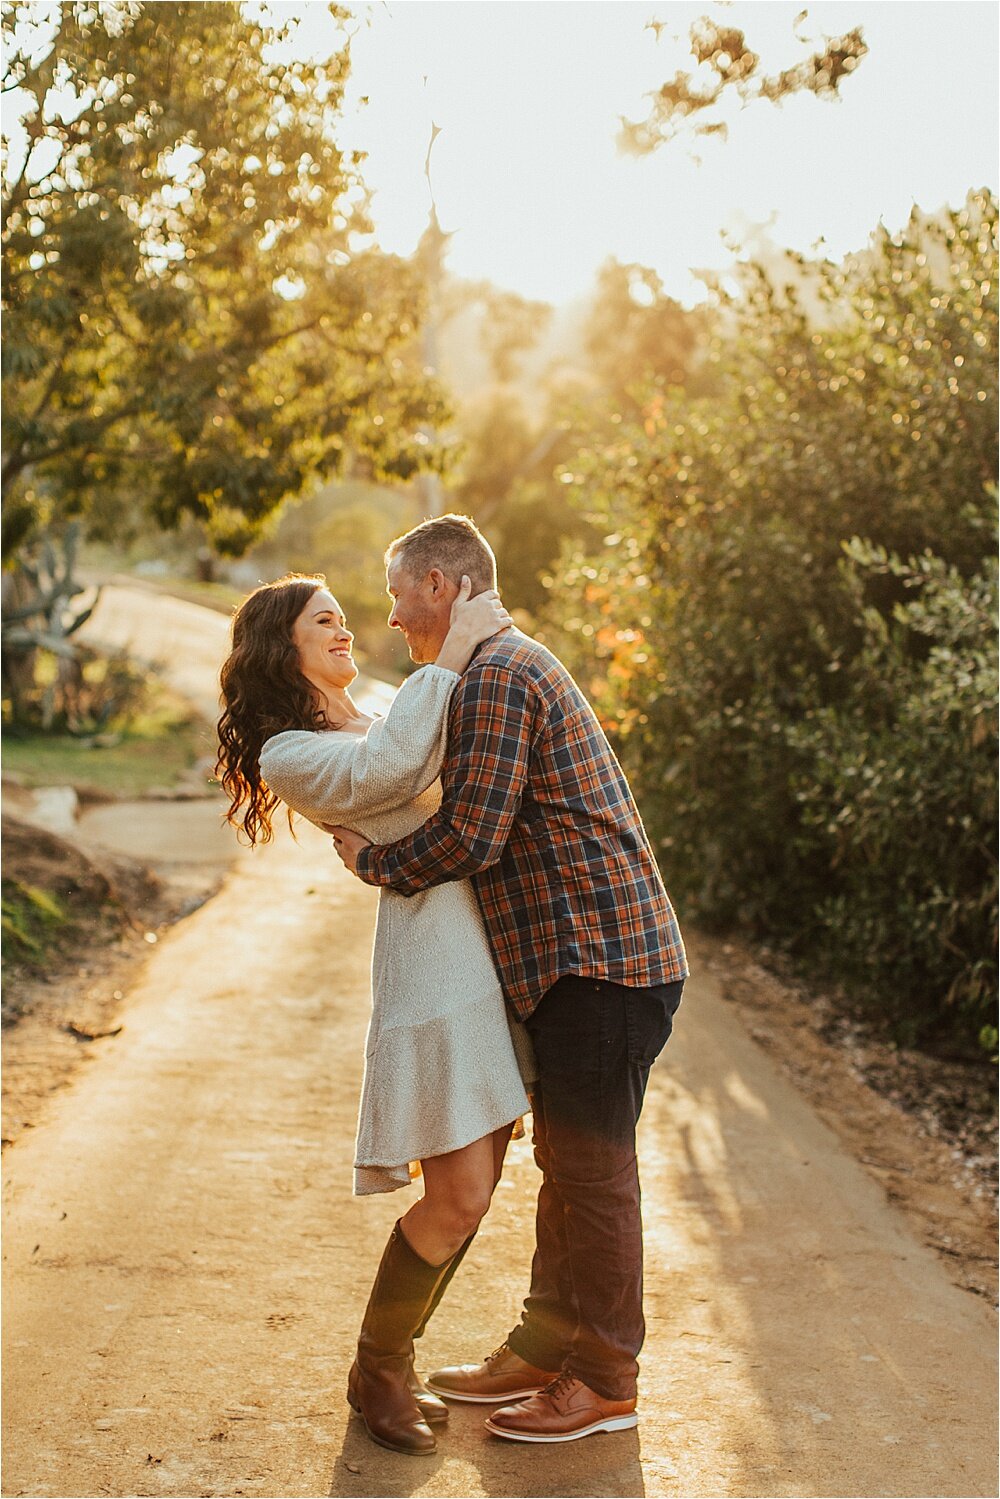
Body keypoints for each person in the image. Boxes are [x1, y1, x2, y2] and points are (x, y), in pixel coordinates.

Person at [329, 513, 689, 1445]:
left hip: (601, 959)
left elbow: (470, 837)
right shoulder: (494, 667)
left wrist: (370, 861)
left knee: (595, 1171)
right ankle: (544, 1345)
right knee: (568, 1165)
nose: (391, 607)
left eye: (399, 587)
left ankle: (604, 1378)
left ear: (442, 587)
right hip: (582, 964)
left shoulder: (497, 677)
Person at [215, 572, 535, 1458]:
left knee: (477, 1195)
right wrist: (456, 650)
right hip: (434, 967)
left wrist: (447, 674)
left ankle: (391, 1360)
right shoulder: (291, 750)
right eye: (326, 621)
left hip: (495, 949)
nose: (346, 630)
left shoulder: (391, 700)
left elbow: (438, 754)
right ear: (285, 647)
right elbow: (399, 765)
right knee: (458, 1192)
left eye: (345, 619)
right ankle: (378, 1369)